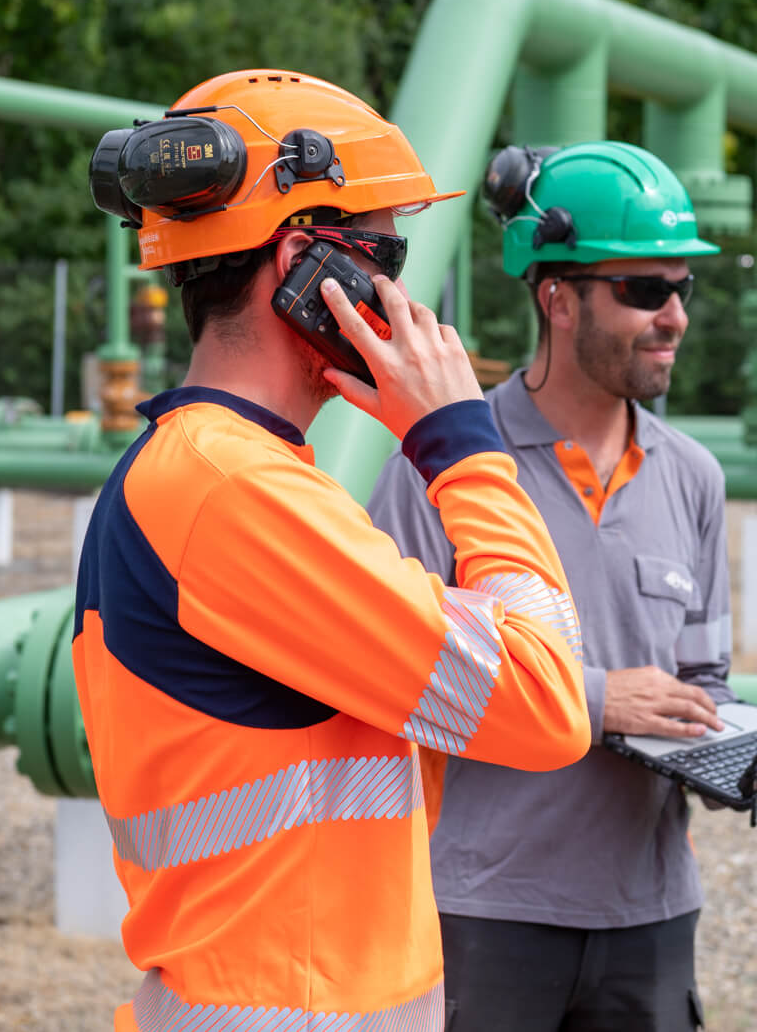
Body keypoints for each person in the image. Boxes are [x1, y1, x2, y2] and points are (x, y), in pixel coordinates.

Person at [70, 70, 592, 1032]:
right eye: (387, 255)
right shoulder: (231, 490)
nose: (403, 294)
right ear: (309, 264)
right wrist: (460, 443)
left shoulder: (232, 474)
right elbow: (546, 702)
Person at [367, 141, 757, 1031]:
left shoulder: (693, 476)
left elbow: (699, 684)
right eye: (643, 289)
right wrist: (594, 701)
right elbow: (390, 671)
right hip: (482, 911)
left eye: (682, 288)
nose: (675, 316)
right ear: (557, 297)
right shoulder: (441, 464)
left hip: (650, 916)